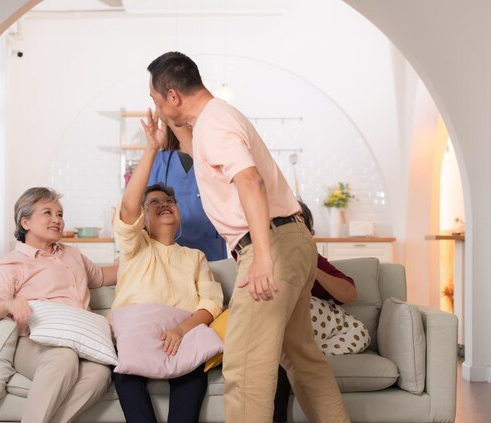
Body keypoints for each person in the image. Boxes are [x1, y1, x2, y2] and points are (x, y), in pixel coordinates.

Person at [145, 51, 350, 423]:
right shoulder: (214, 121)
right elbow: (202, 159)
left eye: (157, 100)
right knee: (302, 357)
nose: (156, 108)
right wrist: (167, 133)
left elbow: (249, 180)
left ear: (172, 96)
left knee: (245, 367)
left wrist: (262, 257)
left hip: (268, 245)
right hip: (293, 240)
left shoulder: (215, 125)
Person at [111, 115, 224, 423]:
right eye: (154, 202)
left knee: (193, 372)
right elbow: (128, 209)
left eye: (169, 200)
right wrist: (151, 149)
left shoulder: (195, 257)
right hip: (137, 327)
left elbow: (211, 303)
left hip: (180, 331)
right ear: (141, 219)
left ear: (179, 210)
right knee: (124, 373)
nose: (163, 204)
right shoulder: (135, 248)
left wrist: (180, 330)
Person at [0, 187, 118, 423]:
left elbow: (104, 277)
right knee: (63, 358)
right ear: (25, 222)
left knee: (99, 373)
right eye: (48, 213)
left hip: (79, 340)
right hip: (35, 345)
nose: (57, 220)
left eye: (60, 214)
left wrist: (136, 251)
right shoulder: (12, 263)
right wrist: (11, 304)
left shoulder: (73, 255)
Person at [273, 201, 370, 422]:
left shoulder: (315, 260)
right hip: (283, 338)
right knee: (281, 359)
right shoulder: (265, 260)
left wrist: (309, 267)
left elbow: (349, 293)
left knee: (298, 356)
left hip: (319, 333)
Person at [147, 122, 227, 261]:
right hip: (167, 254)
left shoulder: (215, 160)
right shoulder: (158, 161)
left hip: (209, 251)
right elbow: (144, 209)